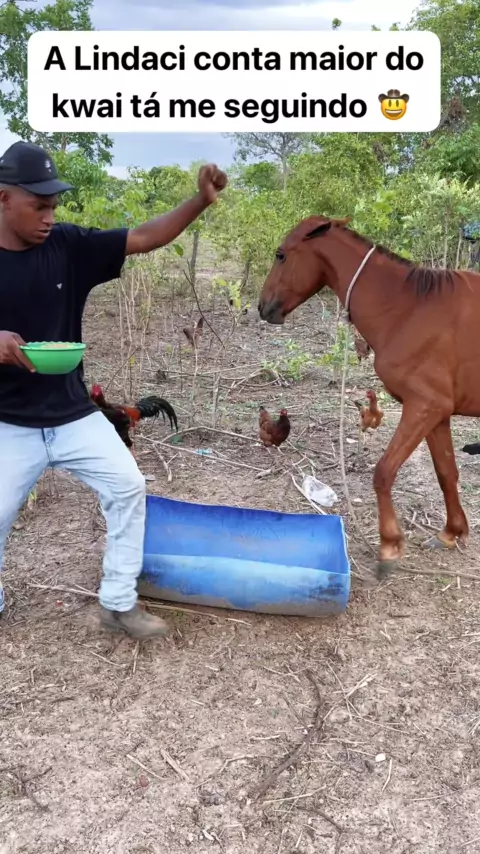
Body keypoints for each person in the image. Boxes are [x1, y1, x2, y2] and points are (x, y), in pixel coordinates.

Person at [0, 140, 227, 639]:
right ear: (4, 199)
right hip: (7, 420)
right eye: (38, 206)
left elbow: (144, 236)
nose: (49, 217)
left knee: (128, 487)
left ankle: (118, 603)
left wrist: (199, 201)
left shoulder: (67, 246)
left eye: (54, 206)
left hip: (72, 412)